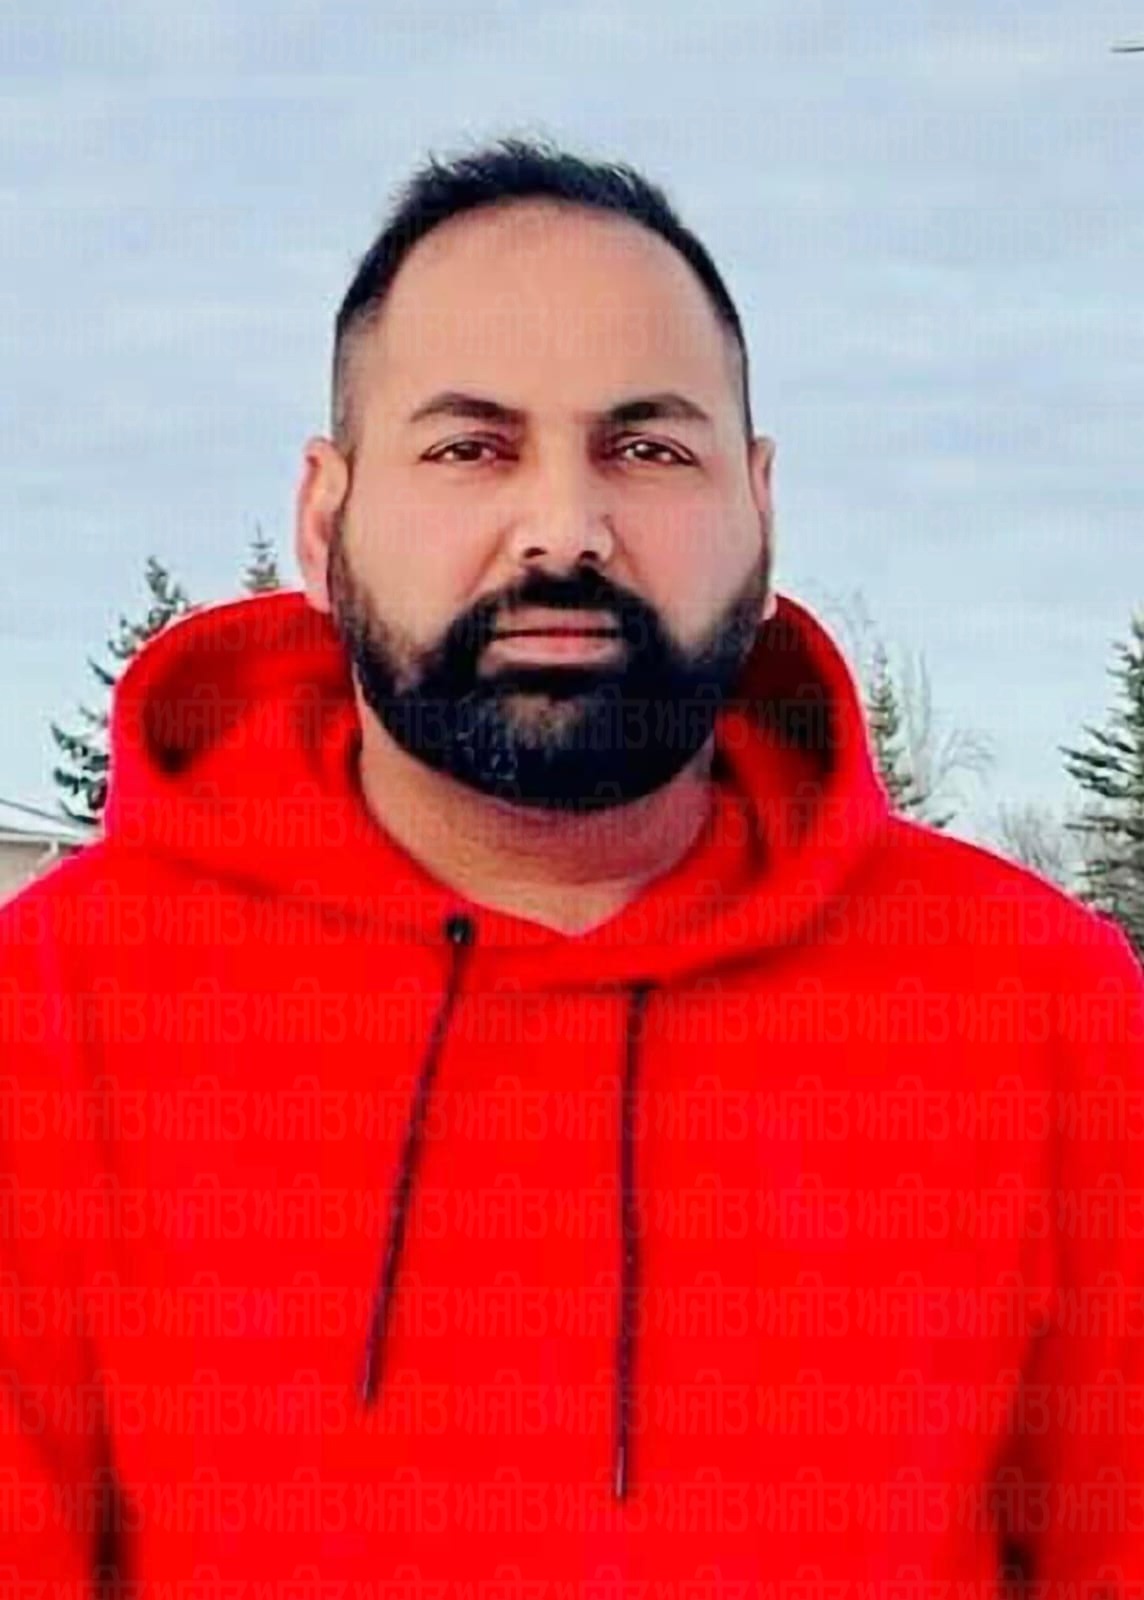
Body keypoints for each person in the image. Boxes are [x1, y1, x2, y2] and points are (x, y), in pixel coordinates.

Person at [2, 136, 1142, 1594]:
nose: (565, 531)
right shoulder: (57, 1012)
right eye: (469, 447)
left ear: (761, 507)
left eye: (647, 450)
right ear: (324, 520)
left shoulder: (1038, 1010)